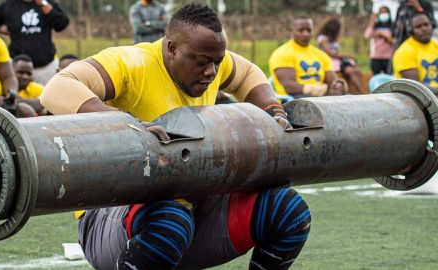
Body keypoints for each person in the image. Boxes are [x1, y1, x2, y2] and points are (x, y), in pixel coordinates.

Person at [41, 4, 311, 270]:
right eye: (203, 62)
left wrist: (273, 110)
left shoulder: (211, 59)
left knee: (289, 211)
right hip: (116, 215)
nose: (212, 72)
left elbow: (249, 74)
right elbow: (56, 88)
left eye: (217, 62)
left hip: (193, 213)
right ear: (172, 49)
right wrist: (128, 125)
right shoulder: (133, 62)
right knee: (170, 222)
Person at [0, 0, 69, 85]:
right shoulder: (8, 5)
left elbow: (62, 24)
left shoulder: (45, 3)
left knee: (48, 97)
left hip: (45, 68)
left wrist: (46, 7)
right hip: (17, 69)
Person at [269, 16, 346, 99]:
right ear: (291, 31)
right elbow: (289, 86)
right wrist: (323, 90)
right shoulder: (282, 53)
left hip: (321, 97)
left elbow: (332, 81)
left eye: (309, 30)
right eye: (301, 30)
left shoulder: (321, 54)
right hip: (293, 100)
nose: (306, 34)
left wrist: (338, 86)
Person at [316, 17, 367, 94]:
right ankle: (363, 92)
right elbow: (331, 54)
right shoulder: (322, 38)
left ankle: (363, 91)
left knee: (355, 70)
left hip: (337, 60)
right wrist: (345, 55)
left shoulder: (333, 38)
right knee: (350, 70)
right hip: (328, 60)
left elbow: (336, 53)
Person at [393, 13, 438, 91]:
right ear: (410, 31)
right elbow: (417, 88)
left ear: (432, 25)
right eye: (418, 26)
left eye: (426, 24)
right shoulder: (404, 51)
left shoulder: (436, 45)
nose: (424, 29)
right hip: (417, 99)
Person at [364, 6, 394, 75]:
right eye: (381, 12)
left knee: (388, 78)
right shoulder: (375, 27)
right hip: (376, 57)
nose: (383, 14)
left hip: (388, 58)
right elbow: (367, 36)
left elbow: (394, 42)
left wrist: (384, 36)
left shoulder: (392, 27)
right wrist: (372, 22)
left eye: (385, 12)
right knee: (376, 77)